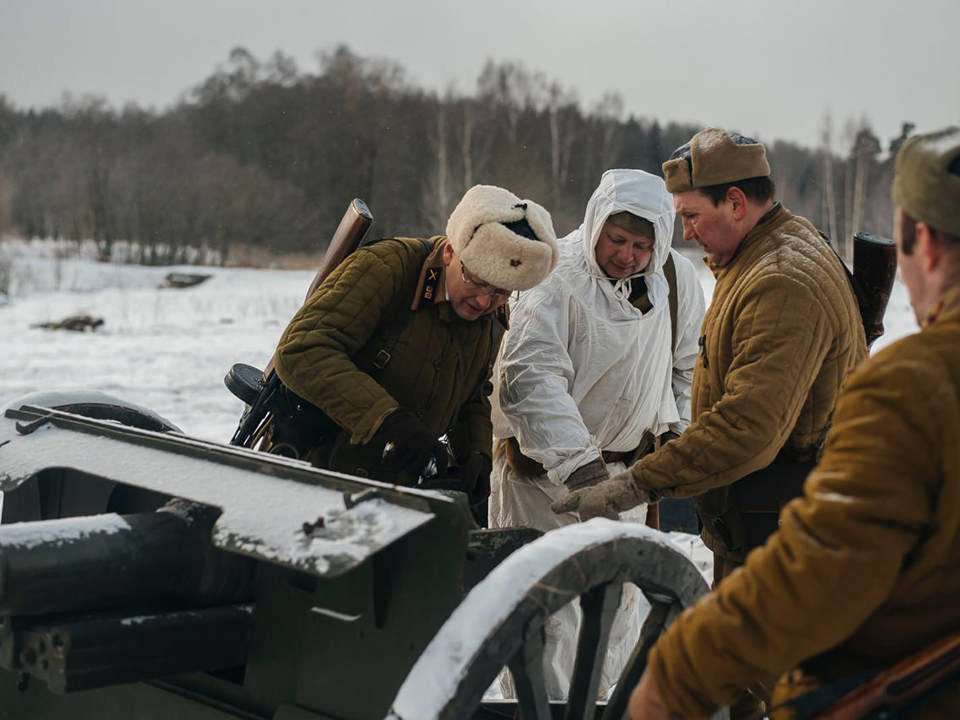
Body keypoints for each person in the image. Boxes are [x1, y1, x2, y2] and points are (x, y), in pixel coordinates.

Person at [628, 126, 960, 719]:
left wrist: (677, 676)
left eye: (692, 215)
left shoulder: (784, 281)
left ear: (927, 245)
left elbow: (749, 436)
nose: (686, 232)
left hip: (773, 529)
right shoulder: (781, 246)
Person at [490, 168, 705, 699]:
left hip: (629, 481)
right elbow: (530, 380)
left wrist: (676, 435)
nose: (627, 255)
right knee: (547, 621)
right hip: (544, 485)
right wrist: (582, 472)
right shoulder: (554, 277)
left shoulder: (674, 280)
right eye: (616, 239)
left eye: (640, 244)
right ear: (595, 225)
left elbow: (689, 366)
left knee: (615, 618)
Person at [266, 184, 559, 506]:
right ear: (450, 252)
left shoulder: (491, 314)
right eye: (478, 282)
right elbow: (302, 350)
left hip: (391, 491)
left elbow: (473, 393)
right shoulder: (388, 268)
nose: (486, 301)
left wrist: (474, 453)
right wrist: (385, 420)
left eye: (503, 292)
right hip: (310, 475)